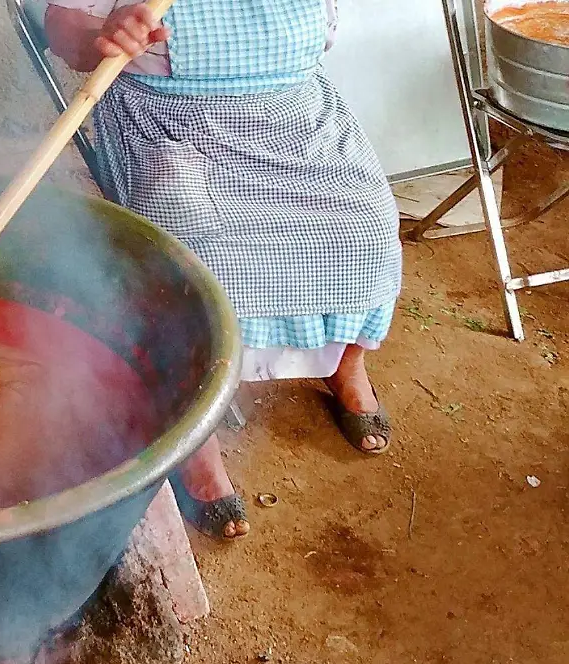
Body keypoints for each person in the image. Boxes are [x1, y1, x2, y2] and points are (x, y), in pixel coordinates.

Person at [45, 0, 403, 540]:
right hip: (171, 124)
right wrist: (103, 33)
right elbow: (60, 25)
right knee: (196, 268)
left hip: (295, 114)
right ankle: (198, 440)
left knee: (368, 232)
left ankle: (344, 361)